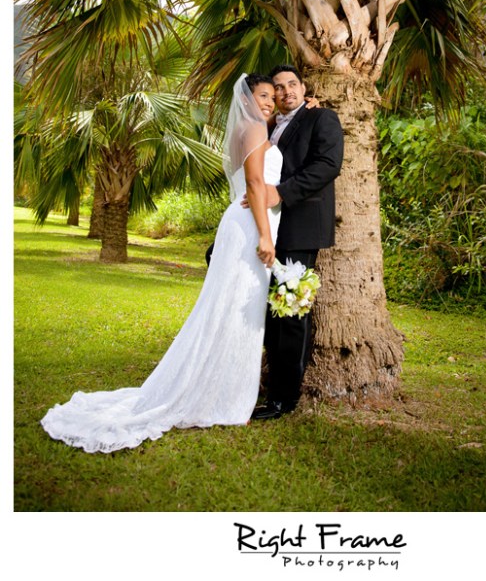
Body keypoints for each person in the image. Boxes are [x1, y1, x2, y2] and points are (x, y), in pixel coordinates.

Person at [40, 74, 282, 453]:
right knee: (237, 311)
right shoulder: (253, 130)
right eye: (263, 95)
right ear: (248, 98)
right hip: (252, 227)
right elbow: (253, 184)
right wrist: (266, 237)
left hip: (243, 222)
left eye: (272, 96)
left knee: (229, 310)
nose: (269, 102)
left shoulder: (245, 129)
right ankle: (227, 400)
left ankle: (222, 391)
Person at [251, 64, 344, 420]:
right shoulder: (270, 126)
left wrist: (281, 194)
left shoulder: (323, 119)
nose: (287, 90)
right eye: (279, 87)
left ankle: (283, 399)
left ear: (304, 87)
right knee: (269, 311)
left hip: (301, 225)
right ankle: (268, 381)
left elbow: (327, 165)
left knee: (290, 312)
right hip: (269, 230)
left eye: (293, 84)